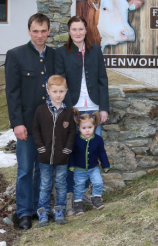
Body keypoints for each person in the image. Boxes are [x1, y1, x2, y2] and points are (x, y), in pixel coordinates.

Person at [5, 13, 55, 230]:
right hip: (26, 123)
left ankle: (39, 208)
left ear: (49, 31)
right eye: (35, 31)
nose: (40, 35)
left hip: (49, 123)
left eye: (43, 31)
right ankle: (24, 212)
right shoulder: (16, 55)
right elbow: (12, 92)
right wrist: (17, 123)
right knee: (25, 169)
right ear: (29, 31)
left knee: (44, 169)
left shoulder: (55, 56)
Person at [55, 15, 109, 214]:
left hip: (94, 108)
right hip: (74, 109)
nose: (78, 33)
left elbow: (103, 80)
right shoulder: (61, 53)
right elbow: (61, 83)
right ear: (69, 32)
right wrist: (67, 111)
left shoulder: (96, 51)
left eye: (81, 29)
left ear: (86, 30)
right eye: (74, 29)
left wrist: (104, 108)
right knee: (74, 152)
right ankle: (73, 197)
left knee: (92, 152)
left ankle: (90, 195)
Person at [32, 75, 76, 227]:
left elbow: (71, 132)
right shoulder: (41, 110)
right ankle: (43, 212)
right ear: (48, 91)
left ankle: (59, 210)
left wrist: (67, 149)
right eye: (55, 91)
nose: (58, 95)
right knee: (45, 184)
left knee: (61, 184)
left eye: (61, 91)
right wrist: (40, 147)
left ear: (66, 91)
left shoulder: (69, 111)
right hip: (44, 157)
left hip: (62, 157)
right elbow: (35, 130)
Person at [69, 111, 110, 214]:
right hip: (79, 169)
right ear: (79, 128)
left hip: (93, 168)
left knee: (98, 182)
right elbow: (72, 153)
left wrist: (105, 165)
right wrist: (71, 165)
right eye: (84, 128)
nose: (87, 130)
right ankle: (78, 203)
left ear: (94, 127)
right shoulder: (76, 140)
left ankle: (96, 198)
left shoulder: (98, 139)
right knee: (79, 185)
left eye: (89, 127)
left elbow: (102, 153)